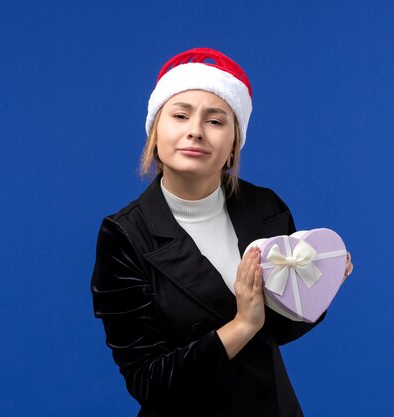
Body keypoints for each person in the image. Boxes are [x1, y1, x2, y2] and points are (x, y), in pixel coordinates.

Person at [91, 47, 353, 417]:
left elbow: (277, 330)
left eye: (216, 121)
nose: (195, 131)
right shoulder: (124, 234)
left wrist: (319, 288)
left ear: (234, 143)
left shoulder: (264, 207)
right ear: (154, 132)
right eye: (180, 115)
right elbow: (148, 381)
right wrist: (242, 324)